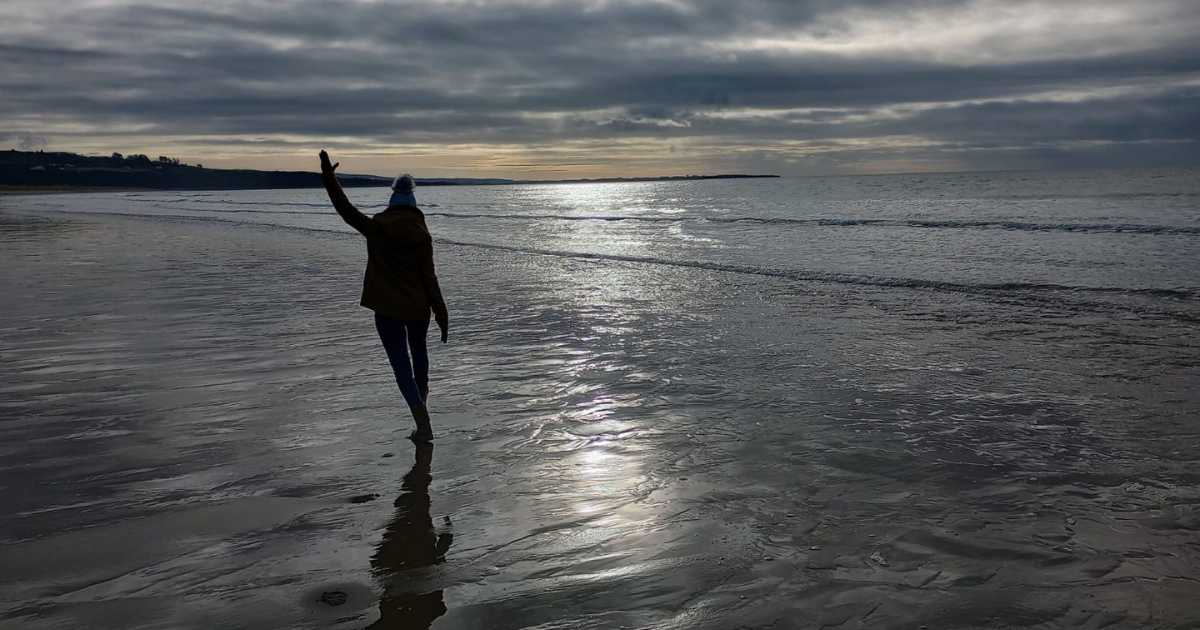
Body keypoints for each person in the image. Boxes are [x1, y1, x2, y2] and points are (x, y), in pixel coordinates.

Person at [318, 150, 449, 442]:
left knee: (402, 367)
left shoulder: (377, 228)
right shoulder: (423, 236)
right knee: (420, 358)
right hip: (419, 310)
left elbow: (345, 209)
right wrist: (442, 315)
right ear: (415, 210)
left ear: (391, 207)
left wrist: (329, 177)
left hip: (388, 311)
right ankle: (422, 413)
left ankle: (423, 422)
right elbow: (430, 279)